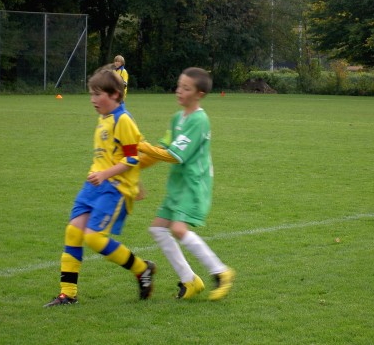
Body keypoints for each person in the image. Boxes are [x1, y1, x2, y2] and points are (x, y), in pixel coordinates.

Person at [44, 68, 155, 307]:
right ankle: (68, 294)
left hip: (113, 188)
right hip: (93, 185)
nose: (93, 100)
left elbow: (132, 158)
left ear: (115, 94)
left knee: (94, 238)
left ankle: (142, 268)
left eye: (97, 94)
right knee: (73, 232)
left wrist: (109, 175)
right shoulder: (104, 117)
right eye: (91, 95)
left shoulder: (122, 120)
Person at [139, 67, 235, 301]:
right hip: (178, 185)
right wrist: (133, 166)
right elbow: (161, 150)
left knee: (179, 229)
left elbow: (175, 155)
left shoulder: (199, 120)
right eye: (179, 85)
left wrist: (139, 144)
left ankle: (221, 272)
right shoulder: (177, 118)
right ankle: (189, 280)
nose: (179, 91)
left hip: (193, 184)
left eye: (186, 88)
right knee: (158, 229)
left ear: (199, 94)